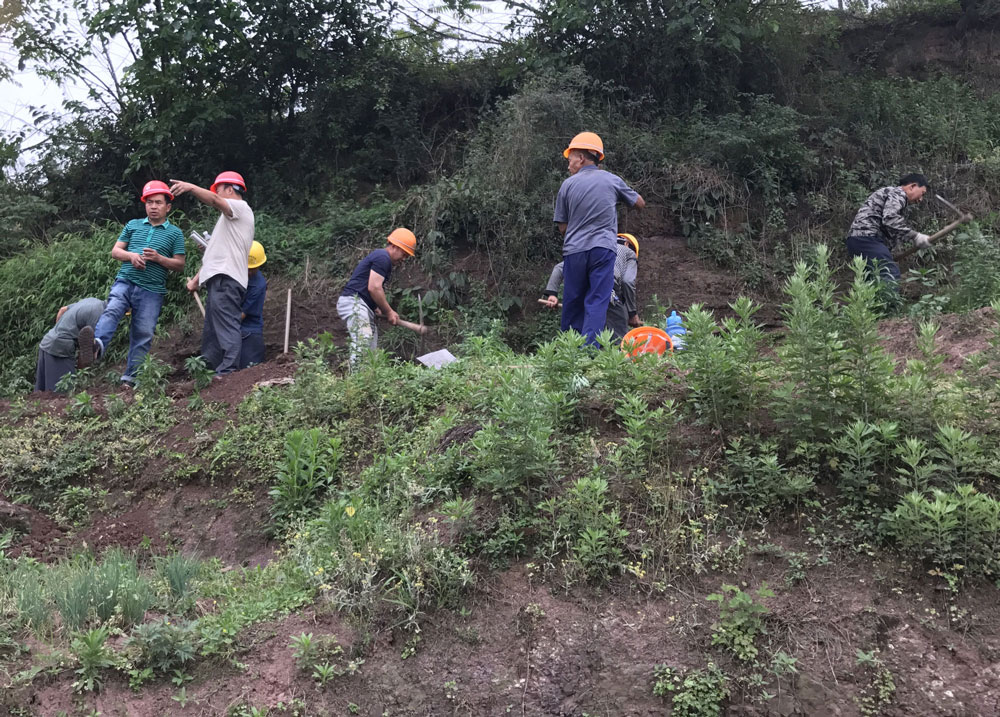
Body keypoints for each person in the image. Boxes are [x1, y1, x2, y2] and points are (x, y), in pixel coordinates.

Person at [89, 180, 186, 386]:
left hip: (152, 289)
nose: (153, 206)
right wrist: (132, 256)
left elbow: (179, 264)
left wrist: (159, 258)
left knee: (143, 332)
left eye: (158, 202)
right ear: (145, 205)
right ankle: (96, 346)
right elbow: (116, 251)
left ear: (167, 207)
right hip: (126, 280)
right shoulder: (132, 225)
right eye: (149, 202)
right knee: (113, 309)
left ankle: (131, 379)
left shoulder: (175, 233)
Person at [554, 132, 645, 346]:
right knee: (597, 301)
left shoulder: (567, 186)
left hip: (574, 251)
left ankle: (569, 352)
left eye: (570, 160)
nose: (568, 166)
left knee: (572, 301)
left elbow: (562, 227)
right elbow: (639, 203)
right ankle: (589, 353)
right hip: (603, 250)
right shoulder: (611, 180)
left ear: (582, 158)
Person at [169, 172, 255, 377]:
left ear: (229, 189)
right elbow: (214, 258)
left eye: (217, 189)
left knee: (226, 325)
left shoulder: (240, 208)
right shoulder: (228, 222)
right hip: (220, 278)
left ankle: (228, 371)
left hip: (227, 279)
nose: (215, 193)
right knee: (214, 330)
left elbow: (215, 201)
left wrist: (190, 187)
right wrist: (196, 281)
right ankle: (212, 370)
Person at [337, 228, 417, 368]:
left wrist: (376, 307)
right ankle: (354, 381)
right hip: (354, 302)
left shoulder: (383, 260)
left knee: (371, 350)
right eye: (404, 254)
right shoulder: (382, 257)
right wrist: (389, 311)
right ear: (394, 246)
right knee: (364, 339)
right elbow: (374, 287)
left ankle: (368, 382)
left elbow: (370, 286)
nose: (404, 259)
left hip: (363, 305)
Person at [543, 233, 641, 342]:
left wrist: (552, 294)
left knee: (578, 335)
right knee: (619, 339)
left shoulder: (594, 248)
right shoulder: (628, 252)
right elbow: (627, 281)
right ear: (627, 244)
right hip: (608, 288)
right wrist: (632, 313)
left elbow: (559, 268)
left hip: (580, 288)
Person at [846, 173, 930, 285]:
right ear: (912, 186)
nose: (920, 199)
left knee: (872, 280)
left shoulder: (890, 194)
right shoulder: (898, 193)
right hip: (868, 239)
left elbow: (890, 228)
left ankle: (869, 303)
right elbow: (890, 220)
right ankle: (889, 302)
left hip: (856, 240)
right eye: (922, 193)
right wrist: (915, 236)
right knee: (889, 274)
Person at [35, 298, 107, 392]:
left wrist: (58, 331)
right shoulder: (99, 314)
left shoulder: (92, 301)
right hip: (60, 350)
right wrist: (81, 371)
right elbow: (86, 348)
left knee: (40, 395)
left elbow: (63, 309)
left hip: (47, 341)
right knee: (61, 394)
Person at [239, 241, 268, 369]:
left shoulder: (258, 286)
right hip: (233, 325)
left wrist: (222, 326)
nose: (249, 272)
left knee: (250, 370)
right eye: (247, 268)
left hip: (249, 330)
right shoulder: (234, 273)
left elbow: (241, 316)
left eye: (253, 269)